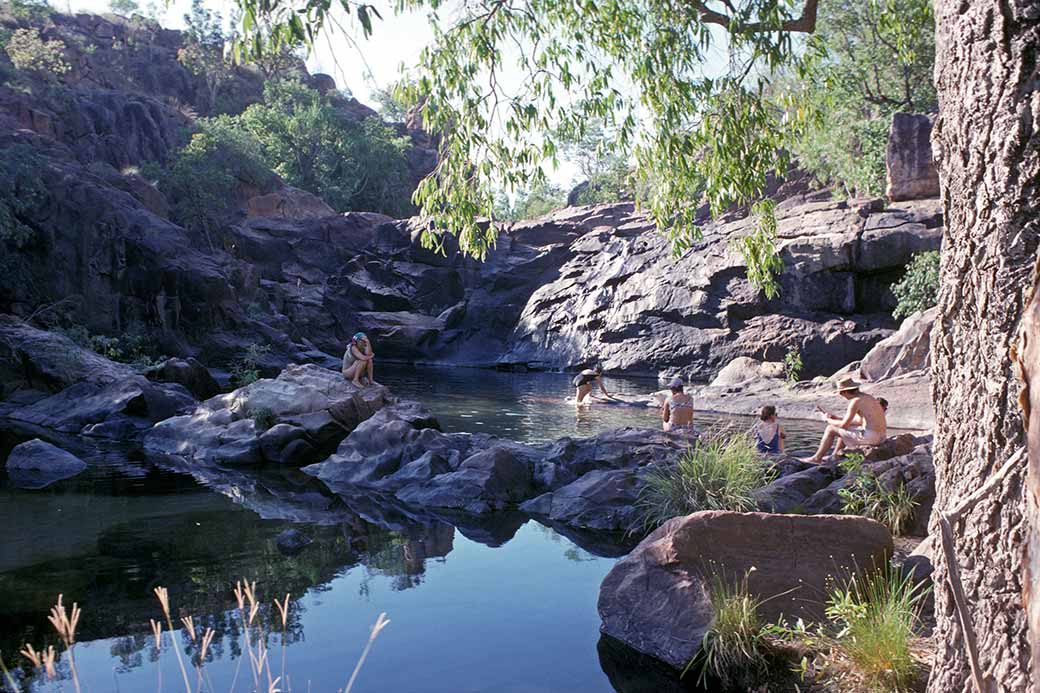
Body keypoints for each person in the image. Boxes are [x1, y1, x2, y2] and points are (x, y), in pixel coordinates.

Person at [803, 378, 887, 463]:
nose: (840, 394)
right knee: (844, 430)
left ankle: (817, 458)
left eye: (841, 392)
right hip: (882, 437)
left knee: (830, 429)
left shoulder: (855, 401)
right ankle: (835, 456)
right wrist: (837, 418)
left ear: (846, 391)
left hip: (872, 437)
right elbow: (860, 421)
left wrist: (827, 420)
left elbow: (844, 425)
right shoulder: (868, 397)